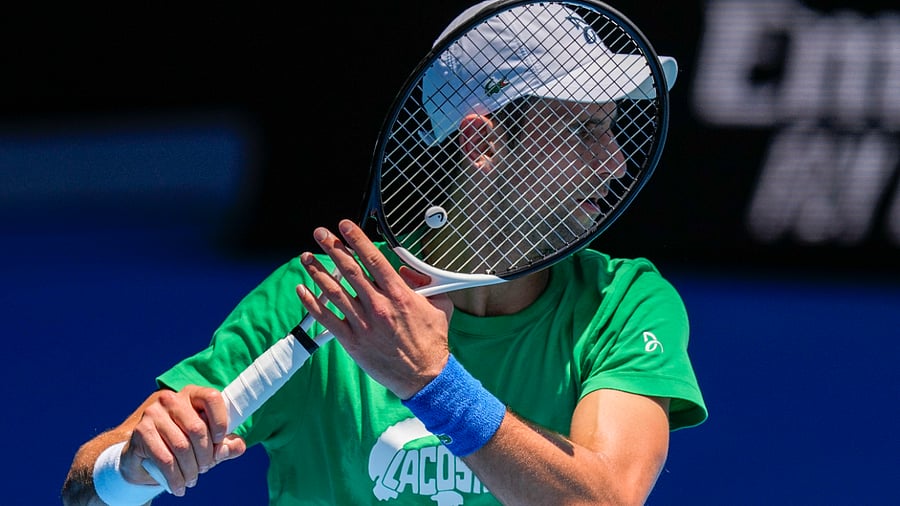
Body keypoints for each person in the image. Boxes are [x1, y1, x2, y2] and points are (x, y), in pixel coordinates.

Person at [62, 2, 707, 505]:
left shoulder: (623, 304)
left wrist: (432, 384)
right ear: (483, 144)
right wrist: (138, 462)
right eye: (586, 129)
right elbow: (84, 489)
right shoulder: (317, 297)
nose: (615, 161)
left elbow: (608, 497)